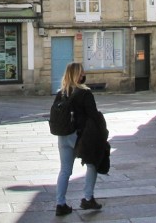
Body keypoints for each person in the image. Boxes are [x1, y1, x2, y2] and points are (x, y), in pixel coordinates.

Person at [53, 62, 105, 216]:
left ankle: (60, 204)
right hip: (79, 135)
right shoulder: (84, 93)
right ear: (77, 75)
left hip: (63, 135)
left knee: (65, 170)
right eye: (82, 72)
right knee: (92, 164)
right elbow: (93, 115)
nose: (84, 75)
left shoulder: (61, 92)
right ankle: (88, 198)